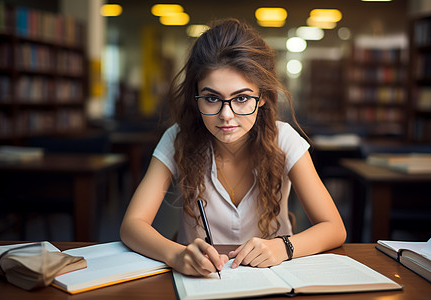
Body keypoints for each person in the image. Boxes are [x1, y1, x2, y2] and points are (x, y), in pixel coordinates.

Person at [120, 18, 346, 277]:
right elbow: (132, 225)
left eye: (241, 98)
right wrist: (176, 254)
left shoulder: (284, 138)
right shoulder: (177, 138)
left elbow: (334, 227)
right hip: (201, 281)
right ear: (196, 99)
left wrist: (283, 247)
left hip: (275, 280)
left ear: (261, 97)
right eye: (212, 98)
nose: (226, 115)